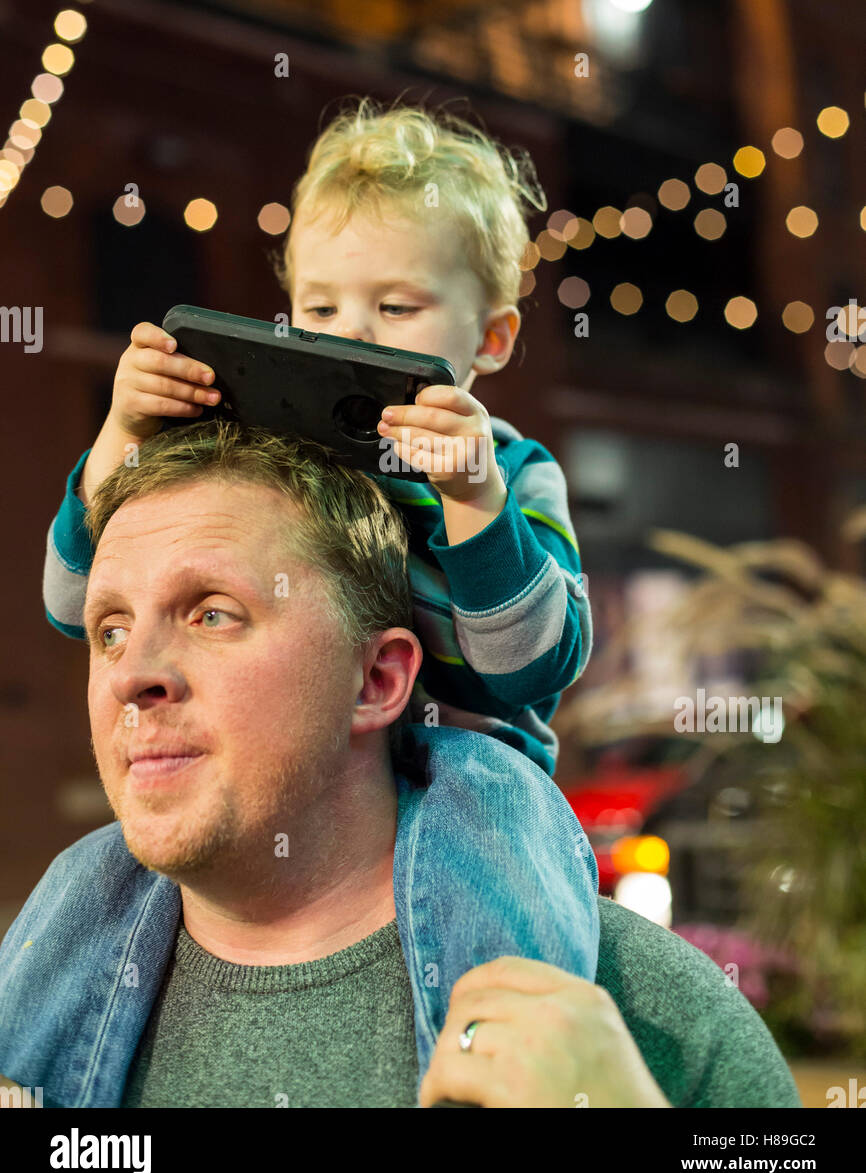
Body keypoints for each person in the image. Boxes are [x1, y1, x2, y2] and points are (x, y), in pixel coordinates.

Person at [2, 422, 801, 1107]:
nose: (129, 675)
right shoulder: (30, 1002)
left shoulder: (654, 1019)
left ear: (378, 681)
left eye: (214, 613)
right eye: (109, 628)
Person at [41, 98, 600, 994]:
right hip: (308, 763)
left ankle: (496, 1064)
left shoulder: (513, 473)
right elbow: (75, 603)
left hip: (466, 762)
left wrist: (472, 501)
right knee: (89, 886)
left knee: (500, 862)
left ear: (491, 338)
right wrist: (121, 435)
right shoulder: (265, 454)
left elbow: (531, 666)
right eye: (321, 304)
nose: (353, 334)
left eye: (395, 305)